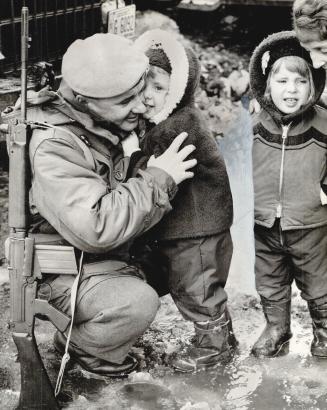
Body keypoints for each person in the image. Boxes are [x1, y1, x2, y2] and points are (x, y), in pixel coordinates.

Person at [22, 33, 197, 378]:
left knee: (185, 261)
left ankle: (104, 331)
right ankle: (86, 352)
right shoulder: (55, 145)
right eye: (124, 102)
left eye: (139, 92)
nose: (139, 106)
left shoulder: (101, 119)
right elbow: (97, 228)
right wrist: (159, 177)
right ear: (84, 100)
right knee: (136, 302)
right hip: (66, 268)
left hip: (102, 257)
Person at [125, 29, 237, 373]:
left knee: (197, 287)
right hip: (192, 225)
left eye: (159, 89)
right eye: (143, 85)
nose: (147, 96)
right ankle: (222, 337)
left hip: (198, 230)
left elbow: (156, 172)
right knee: (193, 284)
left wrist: (132, 157)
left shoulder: (176, 127)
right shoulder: (167, 120)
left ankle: (215, 347)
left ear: (178, 91)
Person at [249, 30, 327, 358]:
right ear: (266, 86)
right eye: (281, 81)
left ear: (314, 85)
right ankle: (277, 327)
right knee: (269, 279)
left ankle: (324, 331)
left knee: (319, 281)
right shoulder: (252, 125)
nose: (291, 90)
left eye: (300, 81)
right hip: (264, 223)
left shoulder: (324, 123)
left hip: (310, 223)